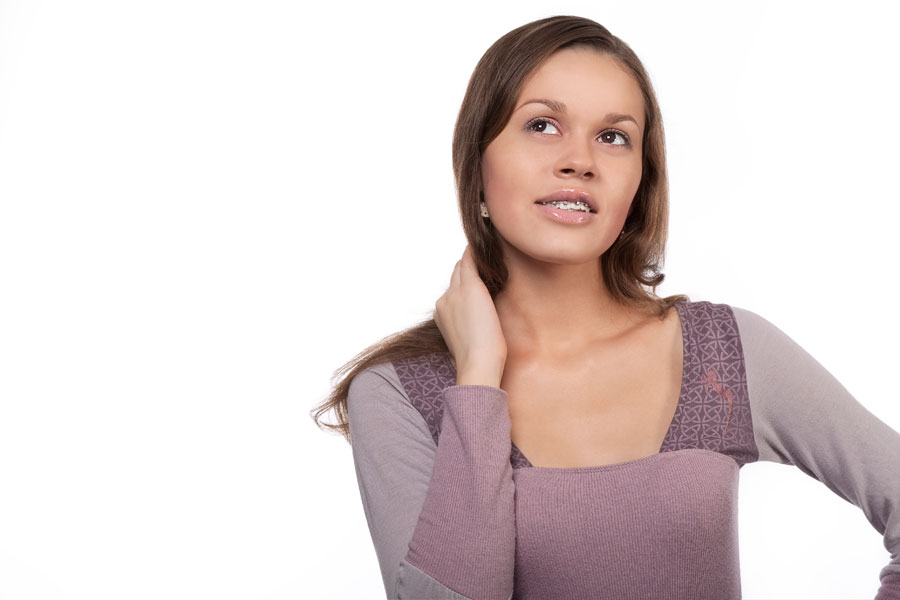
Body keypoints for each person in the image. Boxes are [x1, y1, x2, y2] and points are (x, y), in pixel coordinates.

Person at [310, 15, 900, 600]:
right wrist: (479, 380)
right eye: (542, 125)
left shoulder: (722, 353)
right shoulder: (397, 393)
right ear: (478, 165)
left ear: (639, 182)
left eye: (613, 136)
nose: (580, 161)